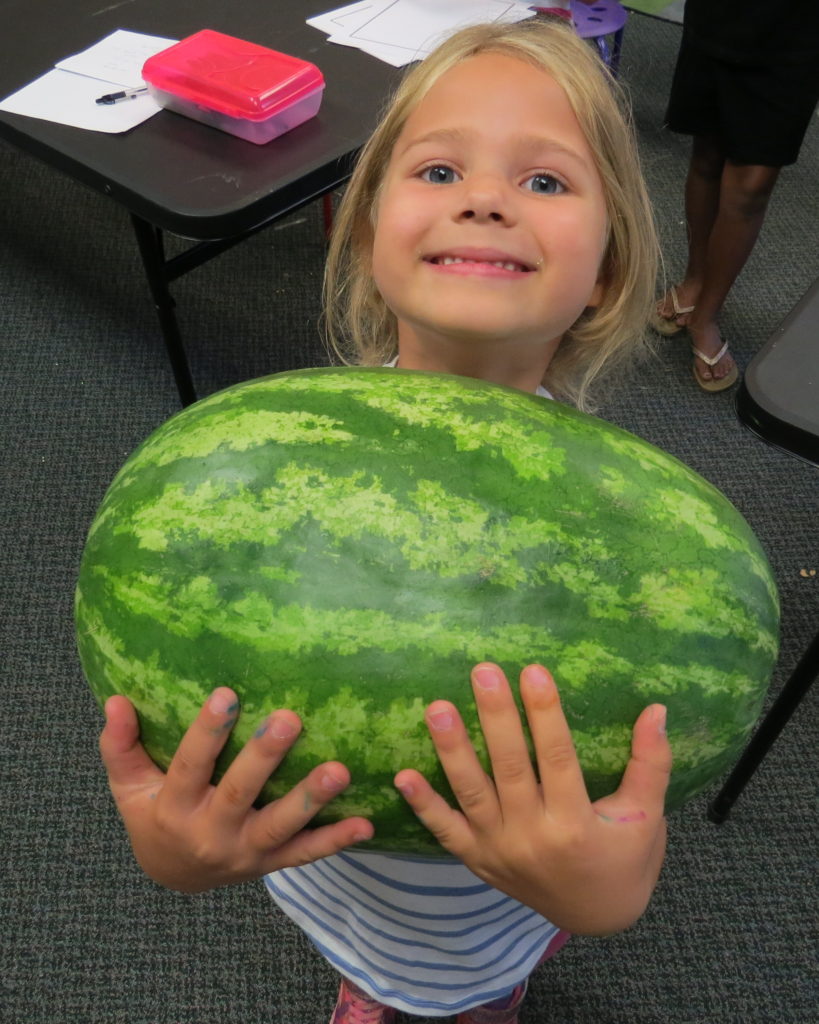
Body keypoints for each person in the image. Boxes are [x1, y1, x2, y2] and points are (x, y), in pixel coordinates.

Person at [99, 19, 672, 1024]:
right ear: (361, 231)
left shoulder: (632, 527)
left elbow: (634, 826)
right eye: (440, 167)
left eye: (547, 182)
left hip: (488, 924)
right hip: (325, 866)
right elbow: (179, 769)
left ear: (611, 271)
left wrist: (597, 892)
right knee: (369, 968)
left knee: (463, 1001)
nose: (487, 198)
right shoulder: (276, 454)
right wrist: (173, 850)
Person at [651, 0, 819, 392]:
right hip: (719, 18)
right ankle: (694, 281)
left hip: (798, 31)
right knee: (707, 153)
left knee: (751, 185)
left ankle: (706, 314)